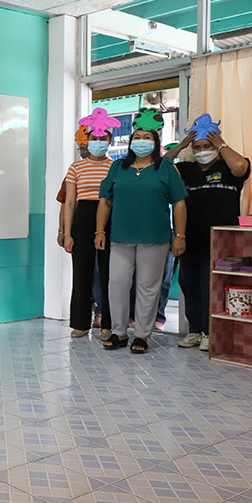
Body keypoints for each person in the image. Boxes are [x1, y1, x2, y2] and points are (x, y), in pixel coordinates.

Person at [96, 108, 188, 354]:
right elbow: (105, 201)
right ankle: (119, 332)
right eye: (137, 137)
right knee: (117, 283)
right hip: (120, 238)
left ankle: (142, 335)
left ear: (156, 142)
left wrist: (179, 236)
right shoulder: (118, 167)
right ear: (130, 142)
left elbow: (179, 202)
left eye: (147, 137)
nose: (141, 141)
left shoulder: (165, 168)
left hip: (155, 239)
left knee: (148, 286)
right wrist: (99, 231)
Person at [164, 115, 250, 351]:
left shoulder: (228, 168)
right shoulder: (186, 170)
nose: (202, 151)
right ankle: (195, 330)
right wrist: (182, 145)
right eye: (198, 147)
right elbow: (159, 167)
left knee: (213, 286)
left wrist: (221, 145)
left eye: (207, 146)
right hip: (190, 238)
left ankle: (212, 332)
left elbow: (241, 167)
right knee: (190, 284)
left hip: (222, 241)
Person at [64, 114, 115, 340]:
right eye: (94, 138)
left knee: (108, 273)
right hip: (82, 218)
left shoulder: (116, 167)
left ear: (109, 141)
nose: (98, 142)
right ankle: (80, 323)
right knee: (81, 272)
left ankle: (108, 324)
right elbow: (69, 202)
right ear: (88, 141)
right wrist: (67, 233)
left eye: (102, 139)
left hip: (109, 217)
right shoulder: (75, 167)